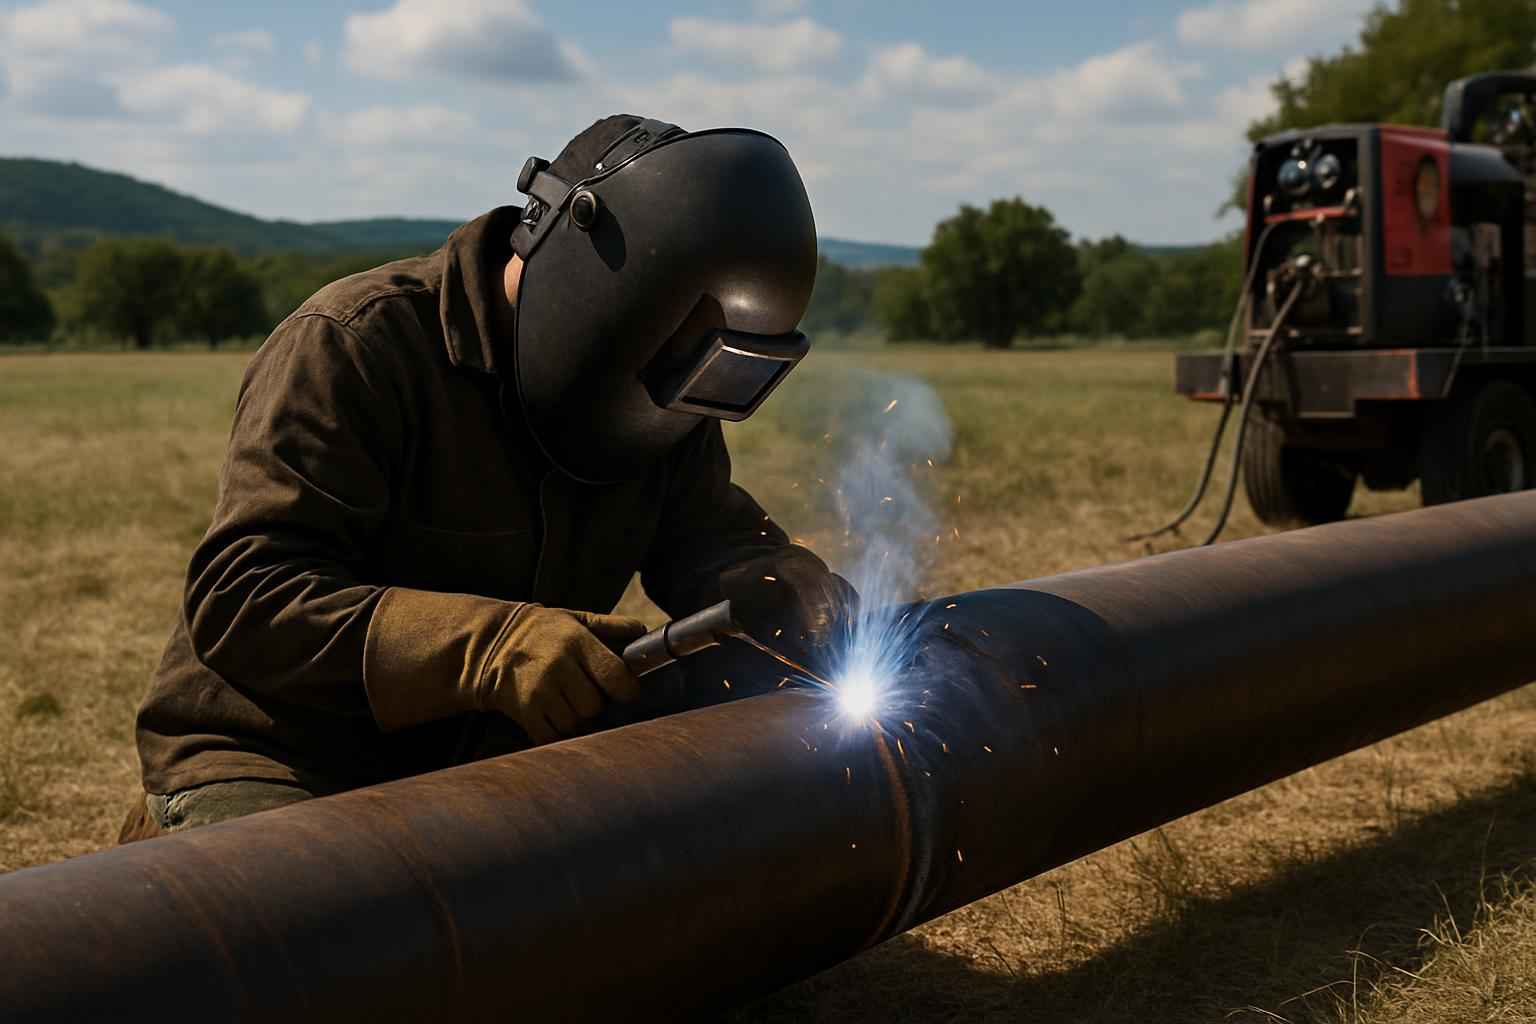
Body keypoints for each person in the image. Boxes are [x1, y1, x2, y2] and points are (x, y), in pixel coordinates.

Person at [118, 115, 857, 842]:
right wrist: (488, 646)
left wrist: (780, 583)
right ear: (597, 284)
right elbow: (243, 598)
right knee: (342, 927)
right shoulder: (357, 344)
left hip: (482, 759)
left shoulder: (664, 380)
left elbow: (710, 541)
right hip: (277, 758)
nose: (674, 400)